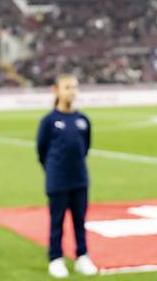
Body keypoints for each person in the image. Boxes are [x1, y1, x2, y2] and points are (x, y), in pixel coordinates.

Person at [37, 75, 98, 278]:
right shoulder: (49, 121)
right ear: (57, 90)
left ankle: (82, 256)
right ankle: (56, 258)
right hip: (57, 180)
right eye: (67, 87)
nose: (71, 91)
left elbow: (86, 147)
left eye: (74, 87)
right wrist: (53, 170)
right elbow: (41, 150)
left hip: (79, 178)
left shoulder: (83, 120)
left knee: (80, 221)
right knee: (57, 221)